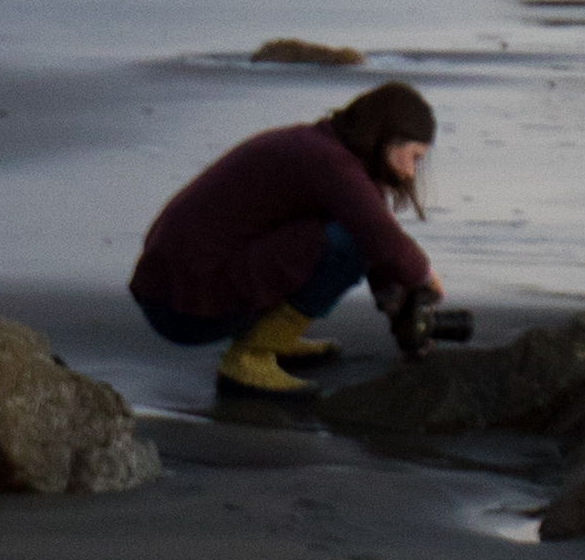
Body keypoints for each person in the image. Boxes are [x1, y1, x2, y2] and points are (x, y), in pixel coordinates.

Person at [129, 78, 442, 398]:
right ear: (388, 140)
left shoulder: (319, 148)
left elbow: (376, 237)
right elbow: (380, 240)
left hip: (171, 292)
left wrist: (399, 309)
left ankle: (271, 338)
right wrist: (424, 277)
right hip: (183, 308)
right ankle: (250, 358)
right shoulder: (329, 163)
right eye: (415, 157)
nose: (411, 174)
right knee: (349, 243)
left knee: (347, 235)